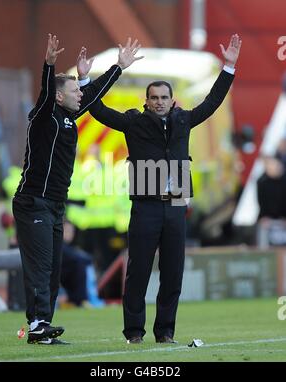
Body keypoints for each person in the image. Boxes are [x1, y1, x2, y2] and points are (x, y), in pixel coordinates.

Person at [89, 34, 242, 344]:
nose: (158, 102)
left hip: (175, 206)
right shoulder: (133, 123)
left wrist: (228, 67)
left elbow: (212, 102)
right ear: (146, 101)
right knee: (139, 273)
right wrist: (107, 71)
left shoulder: (184, 120)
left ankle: (166, 332)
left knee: (173, 274)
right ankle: (133, 333)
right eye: (154, 98)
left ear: (173, 100)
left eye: (163, 97)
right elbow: (97, 109)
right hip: (145, 207)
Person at [12, 33, 143, 345]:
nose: (80, 95)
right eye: (74, 90)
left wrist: (118, 67)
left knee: (54, 268)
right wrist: (49, 64)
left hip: (55, 205)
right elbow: (46, 93)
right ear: (59, 97)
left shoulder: (68, 119)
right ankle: (38, 324)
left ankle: (41, 326)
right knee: (41, 267)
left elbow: (93, 94)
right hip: (34, 202)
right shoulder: (44, 117)